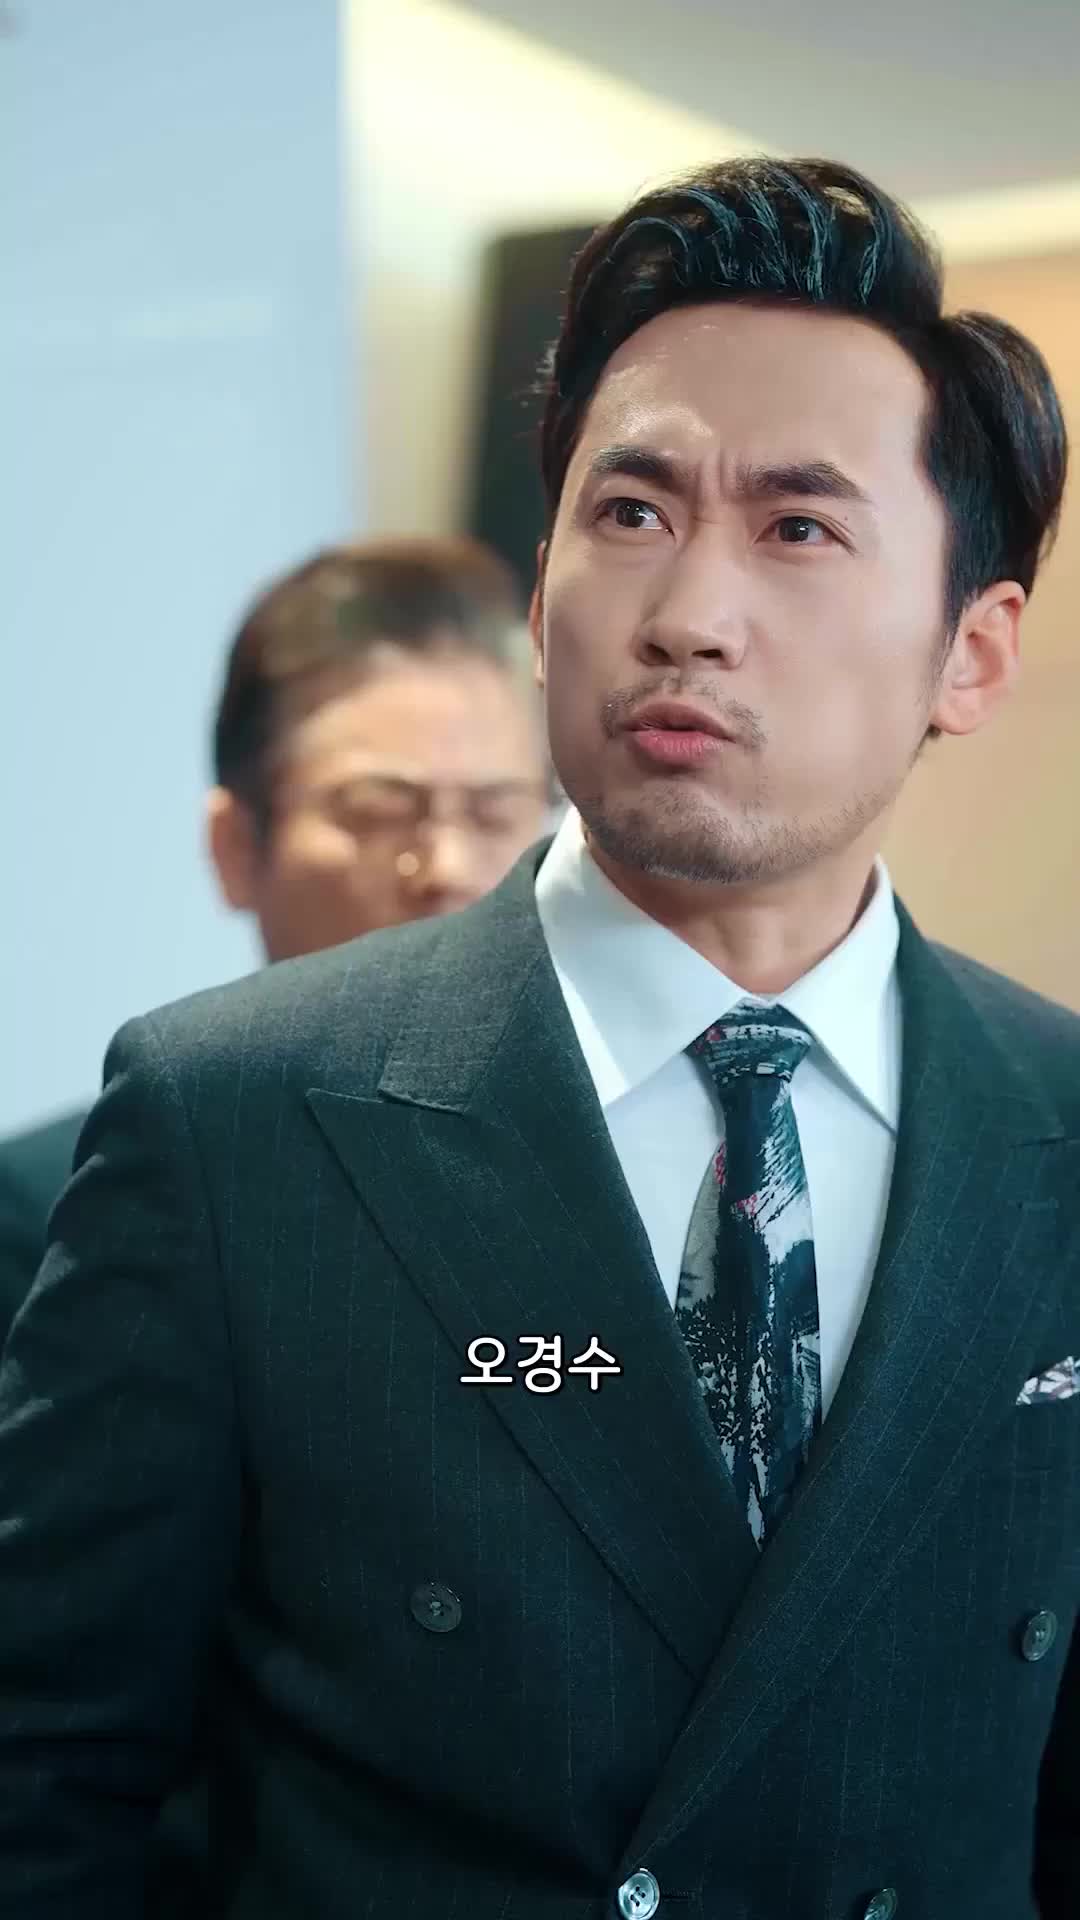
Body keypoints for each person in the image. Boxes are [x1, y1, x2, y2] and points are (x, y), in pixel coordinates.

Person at [0, 157, 1077, 1920]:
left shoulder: (1059, 1128)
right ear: (541, 583)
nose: (688, 613)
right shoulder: (238, 1120)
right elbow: (45, 1782)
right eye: (631, 511)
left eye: (798, 530)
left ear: (971, 650)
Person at [0, 536, 548, 1344]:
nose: (449, 867)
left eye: (496, 812)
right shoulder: (56, 1211)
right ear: (235, 847)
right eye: (376, 810)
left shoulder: (615, 1171)